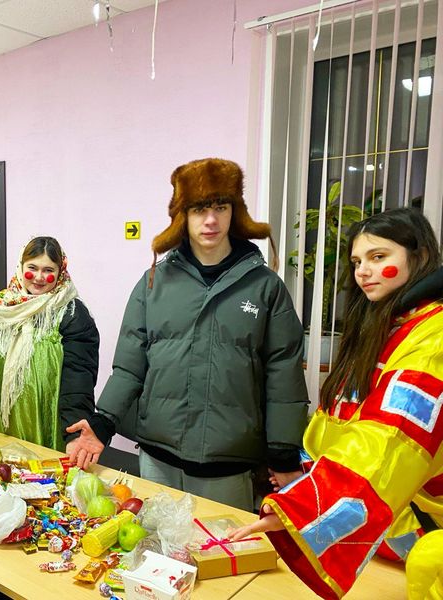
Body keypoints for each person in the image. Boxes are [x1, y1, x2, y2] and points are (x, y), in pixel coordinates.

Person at [66, 157, 309, 511]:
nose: (210, 220)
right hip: (157, 458)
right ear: (183, 215)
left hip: (229, 465)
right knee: (153, 553)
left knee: (219, 557)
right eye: (199, 209)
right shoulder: (154, 283)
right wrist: (104, 423)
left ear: (234, 212)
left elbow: (284, 373)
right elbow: (130, 366)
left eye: (220, 207)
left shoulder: (264, 287)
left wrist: (284, 451)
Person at [230, 207, 443, 600]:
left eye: (379, 257)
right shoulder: (384, 324)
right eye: (357, 261)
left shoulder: (434, 335)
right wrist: (301, 476)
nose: (363, 271)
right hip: (385, 530)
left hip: (423, 533)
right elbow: (340, 423)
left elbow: (390, 437)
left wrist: (303, 506)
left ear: (421, 256)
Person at [0, 236, 99, 453]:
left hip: (50, 421)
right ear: (21, 266)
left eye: (48, 270)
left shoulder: (71, 312)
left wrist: (74, 433)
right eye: (32, 268)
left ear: (60, 271)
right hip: (9, 421)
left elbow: (79, 378)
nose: (39, 277)